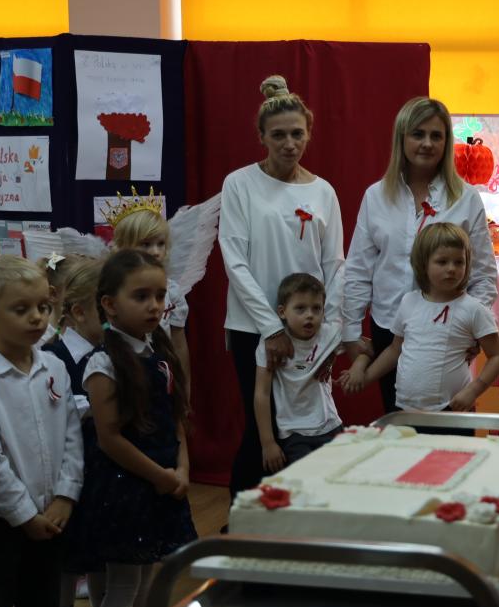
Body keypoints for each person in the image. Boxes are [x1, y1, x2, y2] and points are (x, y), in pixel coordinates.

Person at [64, 249, 197, 607]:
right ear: (109, 303)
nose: (154, 306)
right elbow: (109, 439)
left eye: (159, 296)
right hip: (126, 488)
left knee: (144, 582)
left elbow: (175, 419)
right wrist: (160, 475)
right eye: (141, 296)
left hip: (161, 481)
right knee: (122, 588)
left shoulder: (159, 354)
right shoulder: (103, 363)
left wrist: (182, 468)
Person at [219, 75, 345, 497]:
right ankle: (243, 516)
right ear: (262, 137)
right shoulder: (239, 184)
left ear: (308, 133)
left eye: (296, 134)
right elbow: (234, 258)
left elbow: (335, 266)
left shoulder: (324, 192)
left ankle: (295, 515)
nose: (289, 144)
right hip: (253, 327)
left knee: (305, 430)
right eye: (278, 135)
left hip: (309, 330)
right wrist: (271, 327)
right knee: (263, 428)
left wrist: (333, 334)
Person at [342, 96, 498, 413]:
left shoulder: (466, 199)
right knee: (401, 426)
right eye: (418, 134)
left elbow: (483, 274)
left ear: (446, 142)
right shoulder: (376, 196)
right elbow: (358, 270)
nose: (427, 143)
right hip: (390, 329)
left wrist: (471, 328)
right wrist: (350, 331)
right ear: (402, 138)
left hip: (448, 333)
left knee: (449, 428)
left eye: (436, 136)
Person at [0, 256, 84, 607]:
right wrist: (24, 514)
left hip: (51, 517)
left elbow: (71, 434)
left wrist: (66, 495)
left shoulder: (54, 366)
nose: (36, 317)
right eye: (21, 309)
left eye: (43, 307)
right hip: (0, 523)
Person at [342, 223, 499, 423]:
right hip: (405, 409)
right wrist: (364, 378)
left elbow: (498, 356)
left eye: (459, 262)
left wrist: (473, 391)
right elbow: (394, 350)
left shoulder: (474, 309)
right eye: (442, 262)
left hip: (453, 411)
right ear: (423, 263)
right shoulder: (408, 302)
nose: (451, 269)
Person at [42, 257, 106, 607]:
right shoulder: (53, 355)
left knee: (99, 551)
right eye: (105, 309)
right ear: (79, 311)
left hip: (101, 466)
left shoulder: (107, 351)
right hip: (66, 469)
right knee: (65, 554)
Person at [254, 273, 343, 473]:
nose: (310, 315)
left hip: (331, 426)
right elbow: (262, 394)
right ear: (282, 312)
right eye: (300, 308)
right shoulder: (271, 346)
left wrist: (357, 369)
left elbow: (364, 347)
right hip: (294, 434)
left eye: (316, 308)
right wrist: (267, 443)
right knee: (305, 483)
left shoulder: (329, 333)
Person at [110, 197, 193, 397]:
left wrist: (184, 389)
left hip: (162, 378)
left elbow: (179, 345)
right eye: (146, 244)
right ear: (123, 247)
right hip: (122, 375)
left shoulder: (172, 292)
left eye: (160, 244)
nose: (155, 252)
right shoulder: (112, 290)